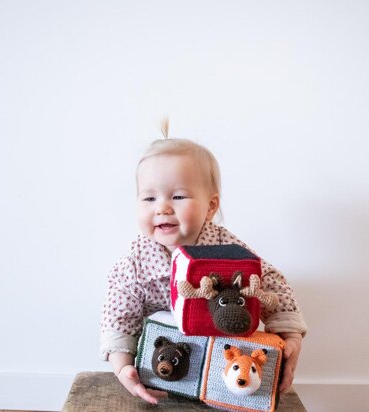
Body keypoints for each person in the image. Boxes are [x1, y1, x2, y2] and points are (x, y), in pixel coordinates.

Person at [100, 121, 307, 404]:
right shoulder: (136, 263)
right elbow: (118, 316)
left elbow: (269, 281)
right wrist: (123, 366)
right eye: (149, 198)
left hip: (220, 361)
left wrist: (289, 334)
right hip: (161, 363)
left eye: (178, 196)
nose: (162, 207)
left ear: (210, 207)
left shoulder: (222, 246)